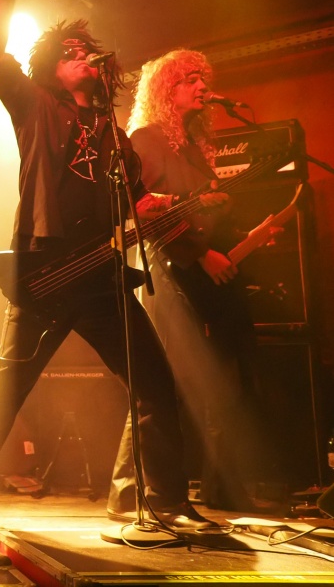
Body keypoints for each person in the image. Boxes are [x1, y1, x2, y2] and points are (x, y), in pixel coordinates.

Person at [0, 0, 215, 536]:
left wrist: (180, 206)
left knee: (154, 381)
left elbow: (136, 203)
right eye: (72, 52)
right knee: (7, 387)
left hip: (101, 275)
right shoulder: (33, 104)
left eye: (89, 50)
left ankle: (166, 502)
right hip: (47, 270)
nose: (85, 55)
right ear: (51, 69)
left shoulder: (113, 131)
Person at [106, 49, 272, 515]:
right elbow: (142, 211)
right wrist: (200, 254)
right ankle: (131, 490)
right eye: (190, 79)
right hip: (164, 268)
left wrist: (241, 238)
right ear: (167, 89)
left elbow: (200, 213)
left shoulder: (192, 147)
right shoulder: (146, 140)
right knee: (161, 381)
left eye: (204, 78)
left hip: (195, 270)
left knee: (207, 381)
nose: (203, 86)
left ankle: (213, 489)